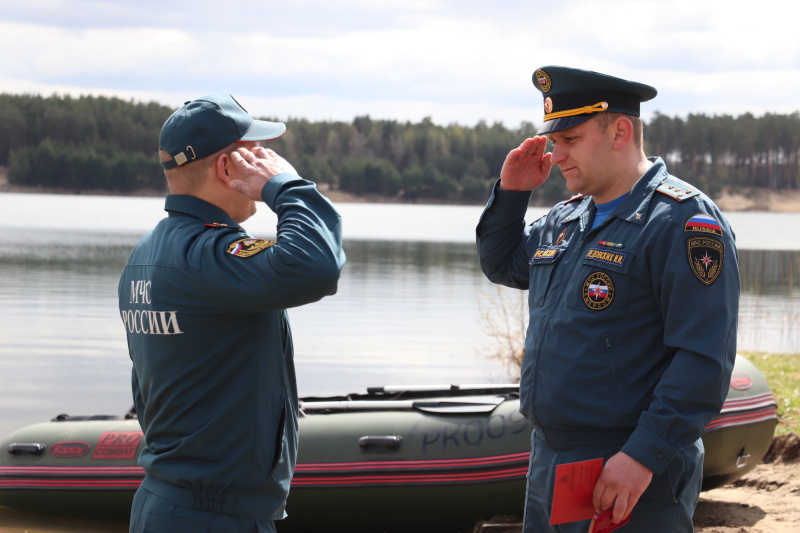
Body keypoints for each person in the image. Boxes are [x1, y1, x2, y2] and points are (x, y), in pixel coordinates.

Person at [476, 66, 739, 532]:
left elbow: (703, 358)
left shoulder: (682, 221)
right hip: (551, 458)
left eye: (570, 140)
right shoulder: (567, 218)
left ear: (620, 131)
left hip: (627, 462)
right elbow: (502, 264)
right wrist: (513, 194)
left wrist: (642, 455)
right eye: (554, 142)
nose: (556, 156)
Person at [118, 91, 345, 532]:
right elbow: (317, 265)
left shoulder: (146, 255)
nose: (268, 160)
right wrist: (286, 184)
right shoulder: (209, 254)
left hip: (165, 503)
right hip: (213, 516)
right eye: (256, 153)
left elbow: (145, 391)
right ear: (228, 167)